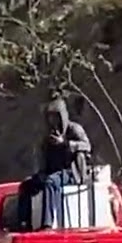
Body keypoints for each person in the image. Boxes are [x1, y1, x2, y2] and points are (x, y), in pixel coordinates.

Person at [16, 97, 91, 230]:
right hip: (52, 171)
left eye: (55, 117)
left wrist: (65, 144)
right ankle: (23, 222)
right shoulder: (48, 133)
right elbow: (42, 153)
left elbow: (87, 146)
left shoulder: (74, 129)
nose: (53, 121)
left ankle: (47, 224)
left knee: (51, 182)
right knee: (26, 185)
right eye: (50, 117)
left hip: (71, 172)